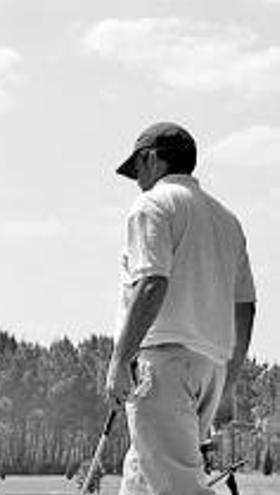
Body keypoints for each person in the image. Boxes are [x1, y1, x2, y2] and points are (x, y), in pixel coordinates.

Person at [104, 122, 257, 495]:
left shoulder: (152, 204)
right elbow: (246, 307)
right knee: (140, 482)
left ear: (152, 159)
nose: (138, 181)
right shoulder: (227, 220)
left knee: (177, 487)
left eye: (137, 169)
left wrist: (120, 360)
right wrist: (229, 383)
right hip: (211, 367)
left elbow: (152, 282)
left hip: (165, 365)